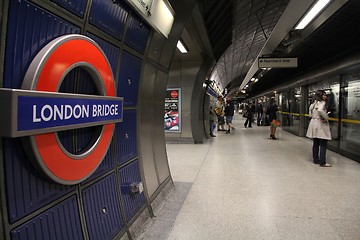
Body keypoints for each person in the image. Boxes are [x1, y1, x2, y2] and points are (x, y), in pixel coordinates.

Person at [306, 90, 332, 167]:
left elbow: (310, 114)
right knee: (323, 143)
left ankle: (316, 159)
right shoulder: (322, 103)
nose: (325, 97)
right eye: (324, 95)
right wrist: (326, 117)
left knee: (316, 143)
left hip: (313, 124)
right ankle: (322, 162)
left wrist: (315, 116)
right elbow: (320, 110)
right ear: (320, 96)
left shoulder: (313, 103)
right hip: (320, 124)